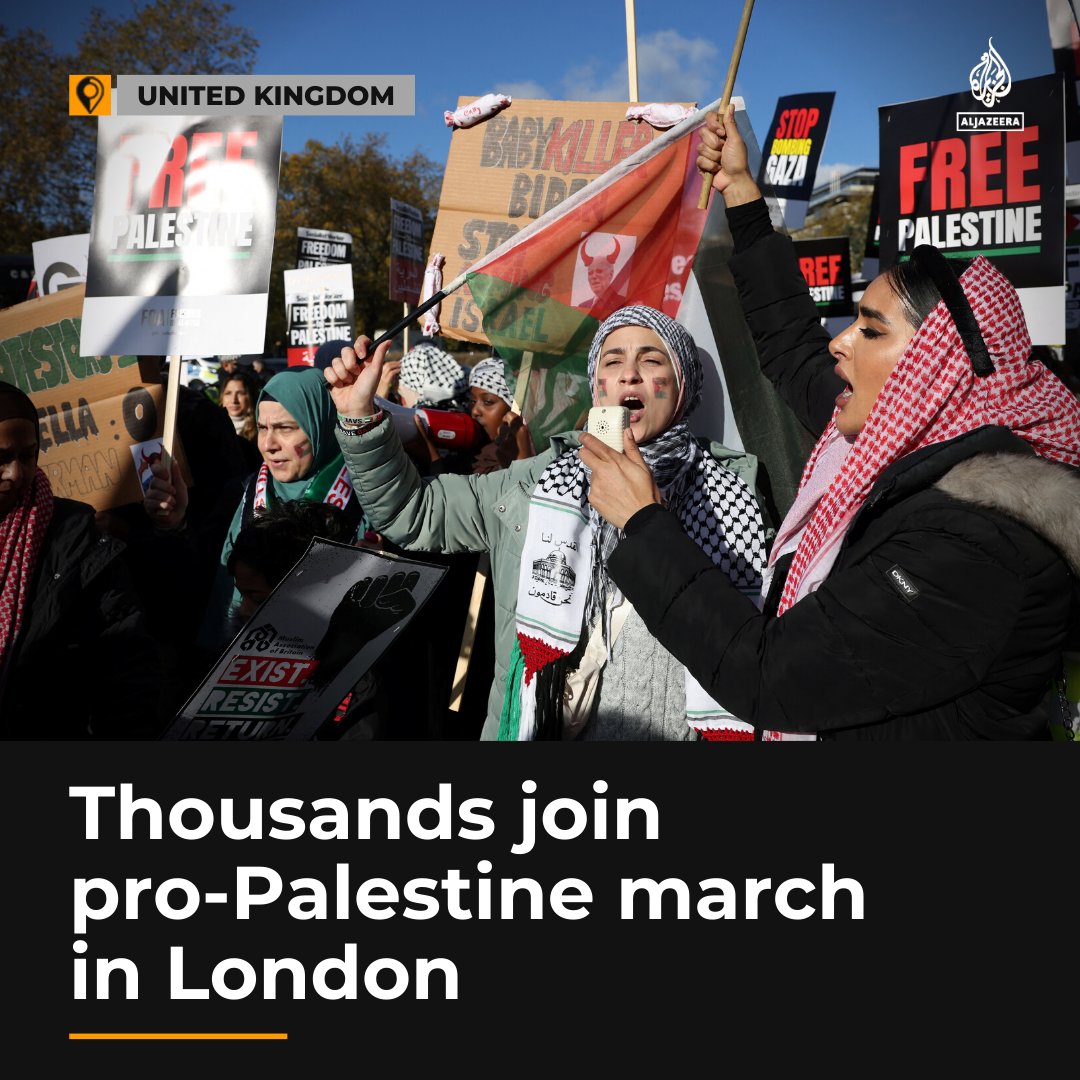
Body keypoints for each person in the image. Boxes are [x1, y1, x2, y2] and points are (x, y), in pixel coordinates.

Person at [581, 105, 1080, 741]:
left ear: (936, 366)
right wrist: (741, 191)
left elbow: (771, 677)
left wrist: (644, 523)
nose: (840, 343)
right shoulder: (891, 438)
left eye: (870, 329)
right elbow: (795, 350)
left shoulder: (979, 545)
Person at [324, 306, 769, 741]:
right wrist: (358, 416)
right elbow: (412, 511)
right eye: (613, 361)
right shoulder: (534, 485)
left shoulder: (735, 500)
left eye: (651, 361)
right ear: (596, 385)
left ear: (683, 384)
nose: (630, 375)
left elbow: (757, 653)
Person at [146, 366, 369, 645]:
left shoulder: (368, 500)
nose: (268, 444)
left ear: (322, 425)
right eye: (262, 428)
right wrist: (173, 527)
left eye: (285, 428)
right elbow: (197, 584)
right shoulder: (240, 495)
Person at [0, 381, 163, 737]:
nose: (16, 473)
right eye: (1, 458)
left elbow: (126, 658)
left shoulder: (75, 534)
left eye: (28, 456)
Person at [467, 356, 535, 471]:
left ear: (514, 408)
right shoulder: (476, 452)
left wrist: (522, 456)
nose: (474, 411)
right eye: (473, 401)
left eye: (488, 402)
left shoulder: (541, 457)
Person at [219, 368, 262, 471]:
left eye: (240, 393)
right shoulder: (212, 428)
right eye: (228, 393)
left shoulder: (261, 430)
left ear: (250, 396)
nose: (234, 400)